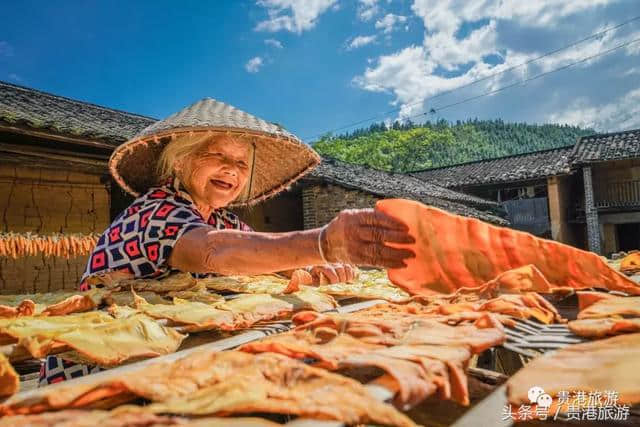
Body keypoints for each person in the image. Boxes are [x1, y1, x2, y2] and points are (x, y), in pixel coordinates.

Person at [39, 98, 415, 385]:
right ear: (181, 162)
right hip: (97, 372)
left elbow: (265, 255)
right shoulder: (155, 210)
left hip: (160, 361)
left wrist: (319, 266)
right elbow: (216, 251)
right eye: (217, 156)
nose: (231, 171)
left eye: (241, 164)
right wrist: (323, 242)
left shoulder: (223, 219)